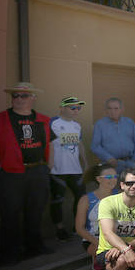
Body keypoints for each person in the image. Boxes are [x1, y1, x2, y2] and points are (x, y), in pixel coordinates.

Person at [0, 82, 54, 263]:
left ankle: (34, 247)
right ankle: (9, 253)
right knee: (9, 214)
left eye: (24, 95)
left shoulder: (44, 120)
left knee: (35, 211)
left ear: (33, 98)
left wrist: (48, 167)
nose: (19, 99)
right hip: (10, 173)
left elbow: (51, 144)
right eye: (15, 96)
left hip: (37, 171)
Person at [49, 96, 88, 241]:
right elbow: (47, 144)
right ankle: (60, 229)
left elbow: (80, 145)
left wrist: (85, 163)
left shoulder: (77, 125)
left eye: (79, 108)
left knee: (81, 199)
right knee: (57, 200)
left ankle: (77, 227)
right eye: (73, 108)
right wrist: (49, 165)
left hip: (76, 170)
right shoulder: (52, 123)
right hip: (57, 171)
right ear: (62, 107)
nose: (76, 110)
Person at [75, 163, 118, 270]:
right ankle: (98, 257)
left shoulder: (120, 195)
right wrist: (99, 243)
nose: (113, 179)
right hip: (94, 240)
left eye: (115, 176)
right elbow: (79, 228)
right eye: (108, 177)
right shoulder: (86, 199)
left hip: (117, 236)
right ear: (98, 179)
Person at [91, 98, 135, 173]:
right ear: (106, 110)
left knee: (132, 184)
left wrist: (134, 159)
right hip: (110, 165)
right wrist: (108, 158)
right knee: (113, 184)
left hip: (130, 163)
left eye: (116, 108)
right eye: (109, 108)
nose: (112, 111)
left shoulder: (129, 122)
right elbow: (95, 146)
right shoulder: (100, 125)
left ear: (122, 109)